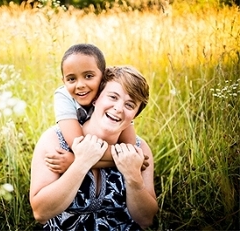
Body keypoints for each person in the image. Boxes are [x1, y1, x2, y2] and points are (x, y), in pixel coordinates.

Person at [30, 65, 158, 230]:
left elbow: (146, 220)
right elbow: (41, 213)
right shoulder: (56, 140)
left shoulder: (139, 150)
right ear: (96, 98)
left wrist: (133, 178)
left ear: (135, 114)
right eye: (112, 97)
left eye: (129, 105)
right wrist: (81, 163)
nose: (118, 109)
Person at [48, 44, 148, 173]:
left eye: (88, 76)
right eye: (71, 79)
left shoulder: (117, 101)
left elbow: (129, 148)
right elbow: (80, 147)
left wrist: (74, 162)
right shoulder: (64, 96)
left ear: (103, 77)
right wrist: (127, 159)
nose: (80, 85)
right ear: (64, 81)